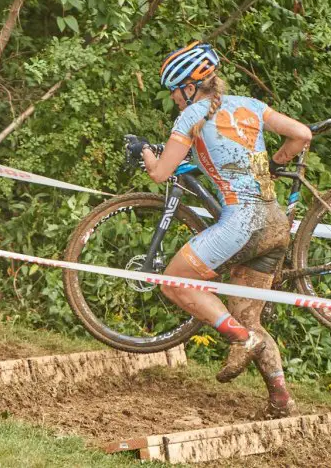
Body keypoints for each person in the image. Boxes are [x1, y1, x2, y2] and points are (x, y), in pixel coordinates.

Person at [127, 41, 312, 418]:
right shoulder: (251, 106)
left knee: (174, 280)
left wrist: (145, 150)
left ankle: (243, 340)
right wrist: (276, 163)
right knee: (249, 316)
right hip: (275, 224)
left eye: (175, 92)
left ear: (189, 87)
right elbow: (302, 134)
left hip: (242, 224)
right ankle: (281, 400)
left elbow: (161, 173)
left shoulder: (192, 115)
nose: (175, 100)